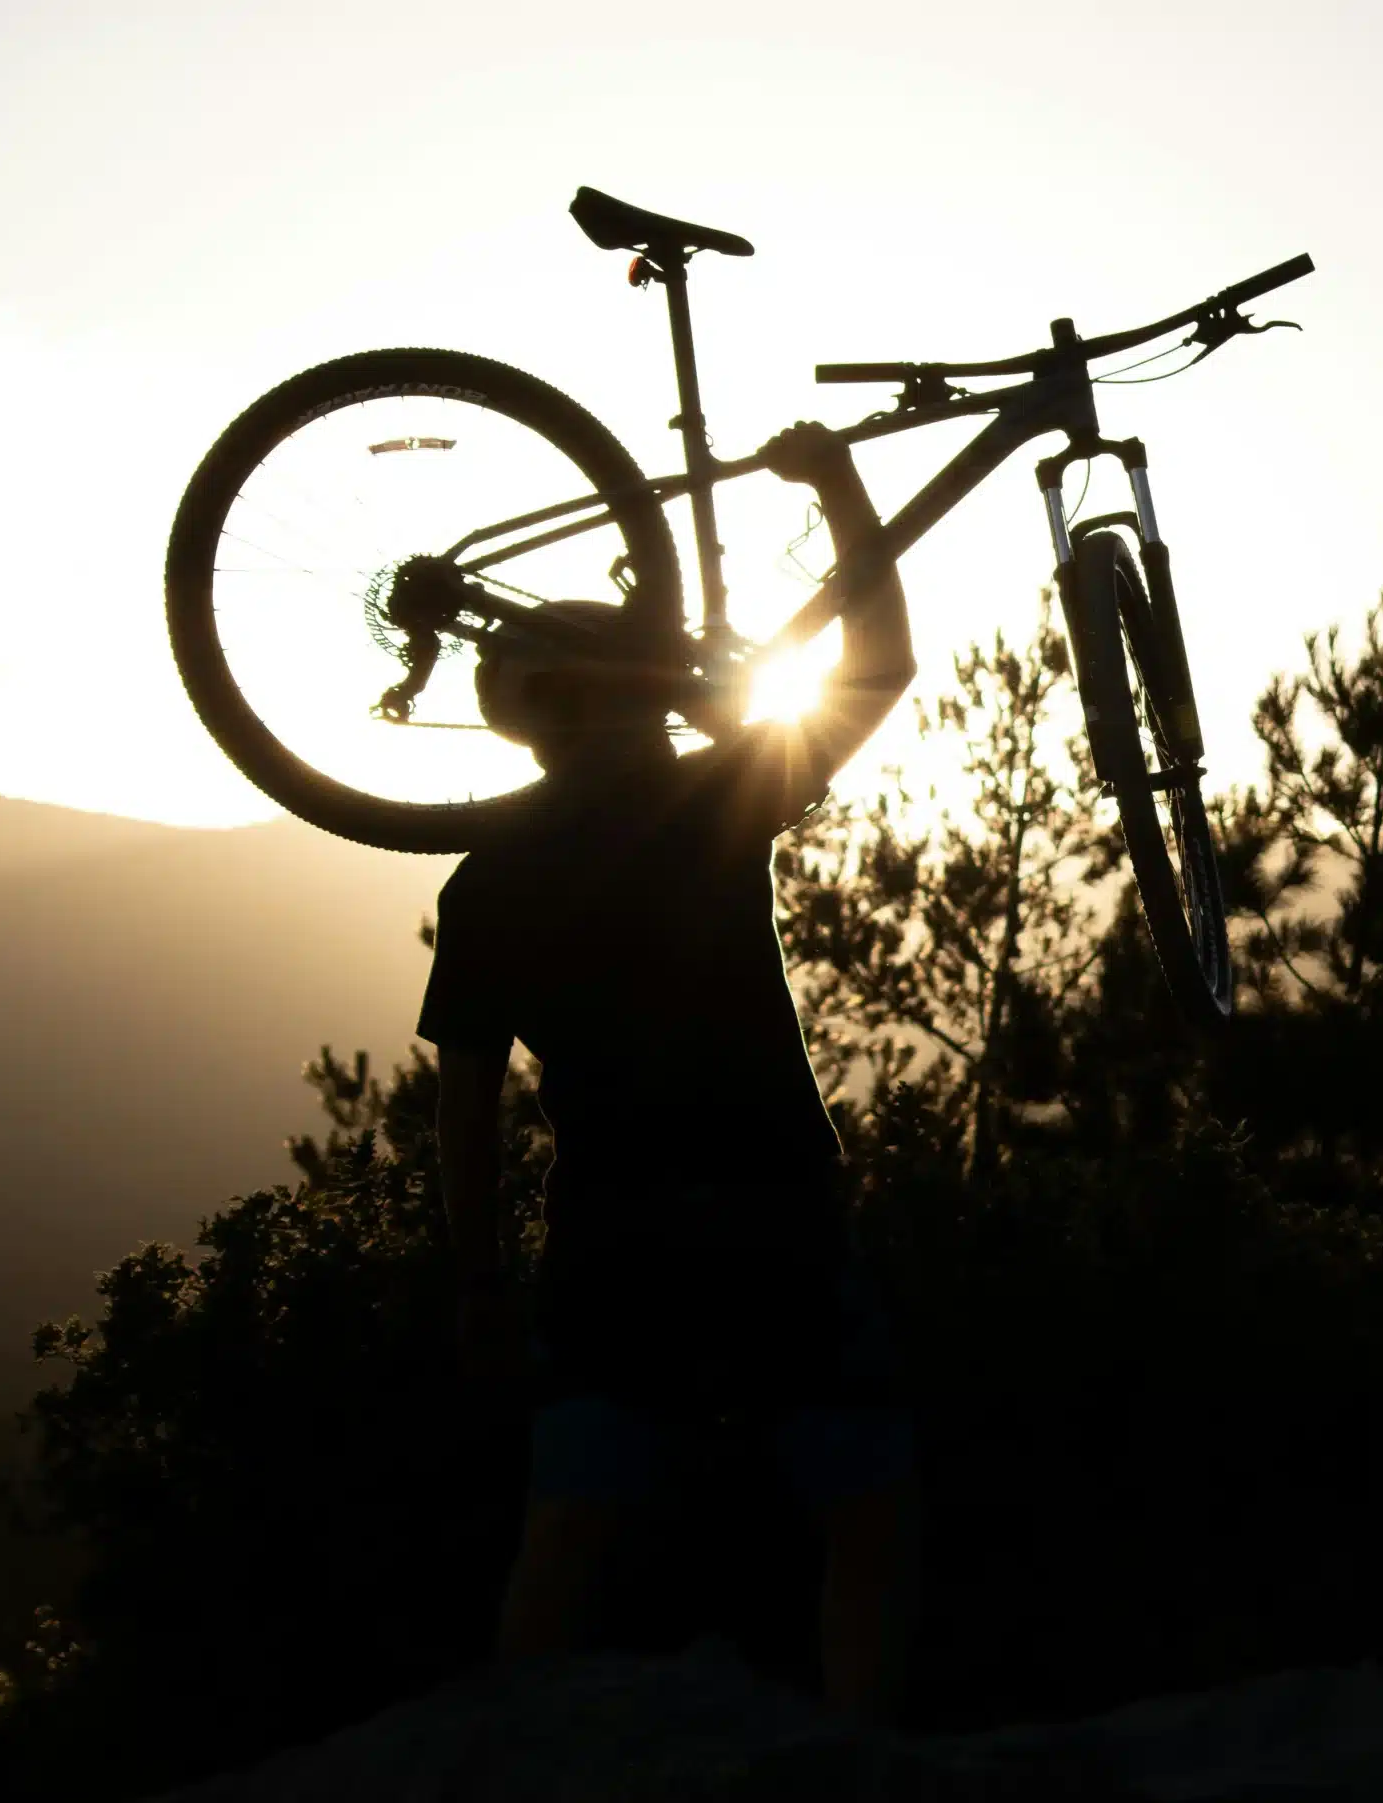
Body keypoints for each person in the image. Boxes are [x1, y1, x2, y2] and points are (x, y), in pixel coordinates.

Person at [418, 422, 918, 1719]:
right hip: (777, 1213)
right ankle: (864, 1768)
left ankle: (509, 1768)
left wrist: (474, 1277)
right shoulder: (708, 801)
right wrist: (839, 486)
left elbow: (462, 1108)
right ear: (611, 690)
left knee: (565, 1542)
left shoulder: (485, 881)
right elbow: (885, 664)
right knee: (861, 1525)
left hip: (612, 1239)